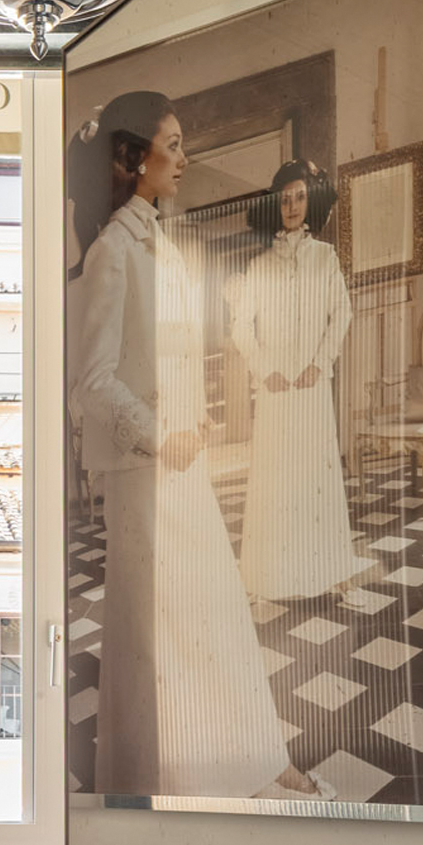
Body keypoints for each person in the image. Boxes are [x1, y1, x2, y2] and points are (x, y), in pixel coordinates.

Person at [68, 91, 329, 801]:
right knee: (159, 634)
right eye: (174, 145)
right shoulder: (112, 252)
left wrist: (197, 422)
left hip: (181, 466)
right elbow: (92, 381)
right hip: (143, 475)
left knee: (214, 616)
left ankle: (255, 758)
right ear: (135, 159)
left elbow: (169, 358)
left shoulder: (162, 245)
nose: (185, 158)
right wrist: (162, 436)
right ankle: (169, 779)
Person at [227, 159, 360, 604]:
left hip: (312, 387)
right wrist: (266, 371)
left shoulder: (325, 258)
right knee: (275, 481)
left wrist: (319, 364)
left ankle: (334, 574)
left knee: (317, 478)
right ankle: (266, 579)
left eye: (300, 197)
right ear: (275, 205)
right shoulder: (260, 265)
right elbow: (241, 328)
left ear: (311, 202)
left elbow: (341, 314)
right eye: (285, 199)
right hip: (275, 392)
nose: (292, 206)